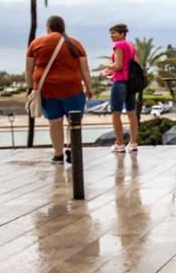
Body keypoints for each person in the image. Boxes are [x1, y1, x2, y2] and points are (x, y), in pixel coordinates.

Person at [25, 15, 93, 163]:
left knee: (54, 123)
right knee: (73, 122)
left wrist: (29, 88)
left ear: (48, 27)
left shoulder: (36, 43)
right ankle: (72, 149)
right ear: (63, 27)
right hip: (72, 89)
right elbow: (85, 70)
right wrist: (89, 87)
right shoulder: (75, 43)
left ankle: (58, 155)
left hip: (47, 90)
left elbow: (29, 70)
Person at [99, 23, 138, 152]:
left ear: (122, 33)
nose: (111, 35)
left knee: (116, 113)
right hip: (130, 82)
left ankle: (120, 144)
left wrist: (105, 66)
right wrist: (112, 70)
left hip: (120, 82)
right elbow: (131, 64)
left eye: (114, 33)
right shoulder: (130, 45)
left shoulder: (118, 45)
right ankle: (133, 144)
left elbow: (119, 65)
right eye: (110, 33)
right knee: (132, 113)